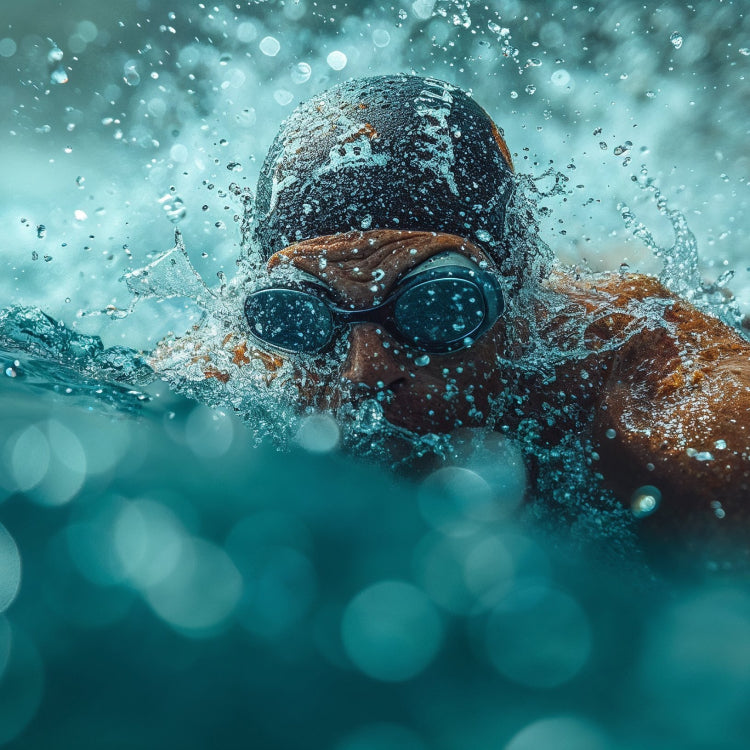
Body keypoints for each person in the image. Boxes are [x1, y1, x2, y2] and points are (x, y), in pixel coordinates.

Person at [160, 74, 750, 565]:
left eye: (437, 305)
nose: (366, 370)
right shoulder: (238, 371)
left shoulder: (659, 396)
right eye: (301, 313)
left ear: (515, 288)